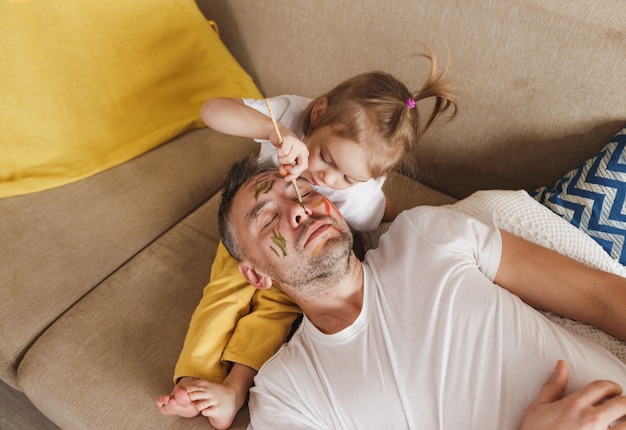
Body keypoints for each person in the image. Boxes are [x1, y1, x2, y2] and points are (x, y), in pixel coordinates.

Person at [203, 156, 626, 429]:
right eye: (267, 219)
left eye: (305, 192)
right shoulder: (286, 395)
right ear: (255, 276)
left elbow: (602, 296)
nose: (300, 208)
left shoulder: (426, 234)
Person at [157, 50, 458, 429]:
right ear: (318, 114)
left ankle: (234, 389)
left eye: (348, 179)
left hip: (297, 260)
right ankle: (192, 376)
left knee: (277, 311)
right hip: (254, 236)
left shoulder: (361, 198)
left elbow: (382, 213)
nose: (327, 181)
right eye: (327, 159)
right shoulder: (291, 117)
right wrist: (275, 131)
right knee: (225, 290)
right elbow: (212, 110)